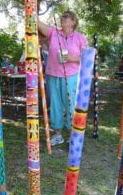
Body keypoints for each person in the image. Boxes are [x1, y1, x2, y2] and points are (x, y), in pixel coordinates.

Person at [37, 10, 88, 146]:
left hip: (71, 76)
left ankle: (74, 135)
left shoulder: (80, 38)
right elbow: (38, 24)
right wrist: (31, 12)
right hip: (53, 75)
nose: (63, 18)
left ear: (73, 21)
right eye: (62, 16)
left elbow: (88, 58)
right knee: (55, 105)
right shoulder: (54, 32)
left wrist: (72, 58)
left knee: (70, 105)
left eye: (67, 17)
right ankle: (58, 134)